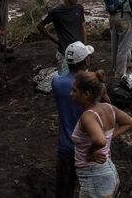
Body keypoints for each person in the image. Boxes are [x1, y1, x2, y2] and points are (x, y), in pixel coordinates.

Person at [71, 71, 132, 198]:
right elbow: (129, 122)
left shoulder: (88, 116)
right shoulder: (108, 108)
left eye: (74, 91)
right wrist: (110, 137)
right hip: (107, 172)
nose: (71, 94)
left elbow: (100, 141)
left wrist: (89, 152)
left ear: (86, 94)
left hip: (95, 178)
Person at [52, 41, 99, 198]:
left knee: (64, 190)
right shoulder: (94, 87)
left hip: (65, 147)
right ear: (86, 61)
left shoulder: (56, 83)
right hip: (88, 147)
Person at [38, 0, 87, 75]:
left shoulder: (79, 8)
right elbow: (40, 26)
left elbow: (83, 29)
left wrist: (85, 50)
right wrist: (56, 40)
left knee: (80, 82)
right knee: (65, 82)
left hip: (80, 53)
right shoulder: (56, 12)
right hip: (64, 54)